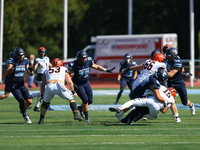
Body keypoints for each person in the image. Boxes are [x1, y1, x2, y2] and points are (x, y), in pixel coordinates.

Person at [109, 69, 181, 124]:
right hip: (141, 95)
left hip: (140, 93)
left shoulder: (153, 78)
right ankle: (125, 117)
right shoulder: (156, 83)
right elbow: (158, 97)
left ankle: (121, 111)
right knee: (141, 110)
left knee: (133, 104)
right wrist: (165, 102)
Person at [68, 50, 115, 122]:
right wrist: (72, 85)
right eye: (81, 58)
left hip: (86, 82)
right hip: (78, 84)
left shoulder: (89, 60)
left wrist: (106, 70)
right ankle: (87, 117)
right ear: (78, 58)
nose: (84, 60)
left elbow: (96, 66)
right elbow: (69, 77)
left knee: (90, 100)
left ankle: (81, 108)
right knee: (85, 100)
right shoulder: (74, 65)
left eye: (85, 58)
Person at [38, 58, 83, 124]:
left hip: (49, 86)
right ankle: (76, 115)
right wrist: (73, 91)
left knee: (45, 103)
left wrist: (42, 95)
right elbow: (69, 82)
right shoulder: (63, 69)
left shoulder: (47, 70)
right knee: (71, 99)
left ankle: (41, 120)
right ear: (61, 64)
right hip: (59, 85)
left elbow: (42, 84)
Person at [6, 48, 34, 123]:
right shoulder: (12, 61)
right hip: (13, 85)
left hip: (21, 84)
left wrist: (31, 71)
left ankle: (22, 110)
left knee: (29, 101)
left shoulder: (25, 60)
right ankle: (25, 115)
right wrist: (13, 67)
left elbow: (30, 73)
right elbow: (7, 73)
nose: (21, 57)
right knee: (21, 101)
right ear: (16, 55)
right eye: (19, 55)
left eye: (22, 55)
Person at [166, 47, 195, 115]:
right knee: (171, 99)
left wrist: (160, 73)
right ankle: (175, 114)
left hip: (179, 83)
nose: (168, 58)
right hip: (170, 83)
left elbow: (171, 74)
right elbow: (182, 70)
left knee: (184, 102)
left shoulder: (177, 61)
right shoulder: (166, 60)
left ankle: (191, 105)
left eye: (170, 57)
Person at [32, 47, 52, 112]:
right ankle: (30, 96)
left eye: (43, 52)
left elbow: (50, 65)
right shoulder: (37, 59)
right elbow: (35, 68)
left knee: (43, 92)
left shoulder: (47, 58)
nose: (42, 53)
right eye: (41, 52)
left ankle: (36, 106)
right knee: (43, 92)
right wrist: (35, 66)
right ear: (38, 53)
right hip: (40, 76)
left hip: (47, 76)